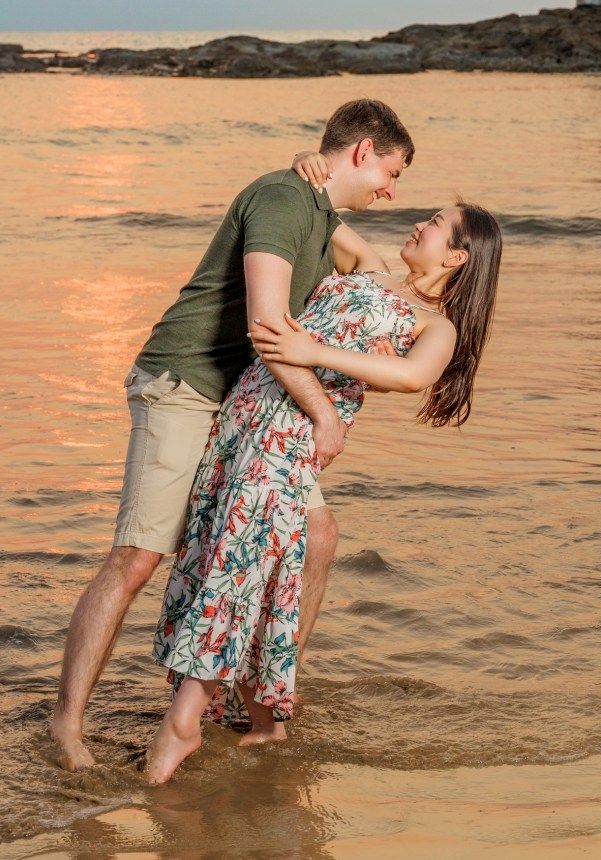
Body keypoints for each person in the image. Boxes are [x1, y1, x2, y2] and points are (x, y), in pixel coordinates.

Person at [49, 100, 415, 771]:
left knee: (318, 535)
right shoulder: (281, 200)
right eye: (389, 172)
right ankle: (66, 727)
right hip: (185, 384)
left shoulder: (316, 207)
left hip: (248, 405)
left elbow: (379, 271)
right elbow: (267, 327)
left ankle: (264, 692)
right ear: (363, 150)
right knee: (136, 558)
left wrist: (316, 178)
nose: (391, 191)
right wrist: (325, 413)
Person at [146, 200, 502, 783]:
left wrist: (318, 353)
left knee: (240, 569)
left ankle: (184, 723)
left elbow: (414, 375)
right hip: (242, 415)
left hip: (288, 436)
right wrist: (308, 163)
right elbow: (309, 208)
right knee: (226, 558)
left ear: (457, 255)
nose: (420, 224)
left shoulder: (436, 325)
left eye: (436, 224)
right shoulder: (368, 264)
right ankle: (265, 721)